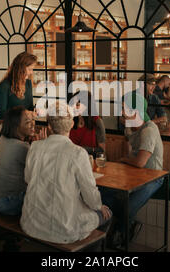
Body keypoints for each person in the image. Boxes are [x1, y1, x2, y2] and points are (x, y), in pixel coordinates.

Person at [20, 102, 112, 244]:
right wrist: (99, 206)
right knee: (106, 214)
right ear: (71, 124)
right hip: (63, 229)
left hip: (31, 223)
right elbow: (89, 192)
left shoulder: (35, 147)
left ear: (49, 126)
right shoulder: (78, 153)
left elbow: (27, 179)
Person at [101, 91, 164, 248]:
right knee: (102, 192)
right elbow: (131, 154)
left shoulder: (149, 130)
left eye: (125, 108)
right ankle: (127, 226)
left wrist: (123, 160)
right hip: (134, 173)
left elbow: (140, 162)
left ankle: (121, 231)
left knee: (128, 205)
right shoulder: (131, 128)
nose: (121, 112)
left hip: (154, 177)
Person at [0, 106, 46, 216]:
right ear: (16, 126)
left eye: (33, 120)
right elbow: (41, 170)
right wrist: (42, 146)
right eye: (27, 122)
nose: (33, 124)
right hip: (8, 202)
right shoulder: (21, 147)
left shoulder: (3, 139)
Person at [0, 52, 36, 119]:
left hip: (26, 126)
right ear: (20, 69)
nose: (31, 72)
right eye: (29, 69)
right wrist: (24, 113)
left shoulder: (28, 83)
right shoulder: (4, 86)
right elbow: (1, 114)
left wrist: (36, 110)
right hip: (11, 128)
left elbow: (30, 108)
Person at [69, 90, 106, 157]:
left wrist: (82, 149)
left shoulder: (97, 121)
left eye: (77, 104)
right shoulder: (71, 120)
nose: (73, 107)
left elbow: (102, 150)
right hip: (72, 159)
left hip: (90, 160)